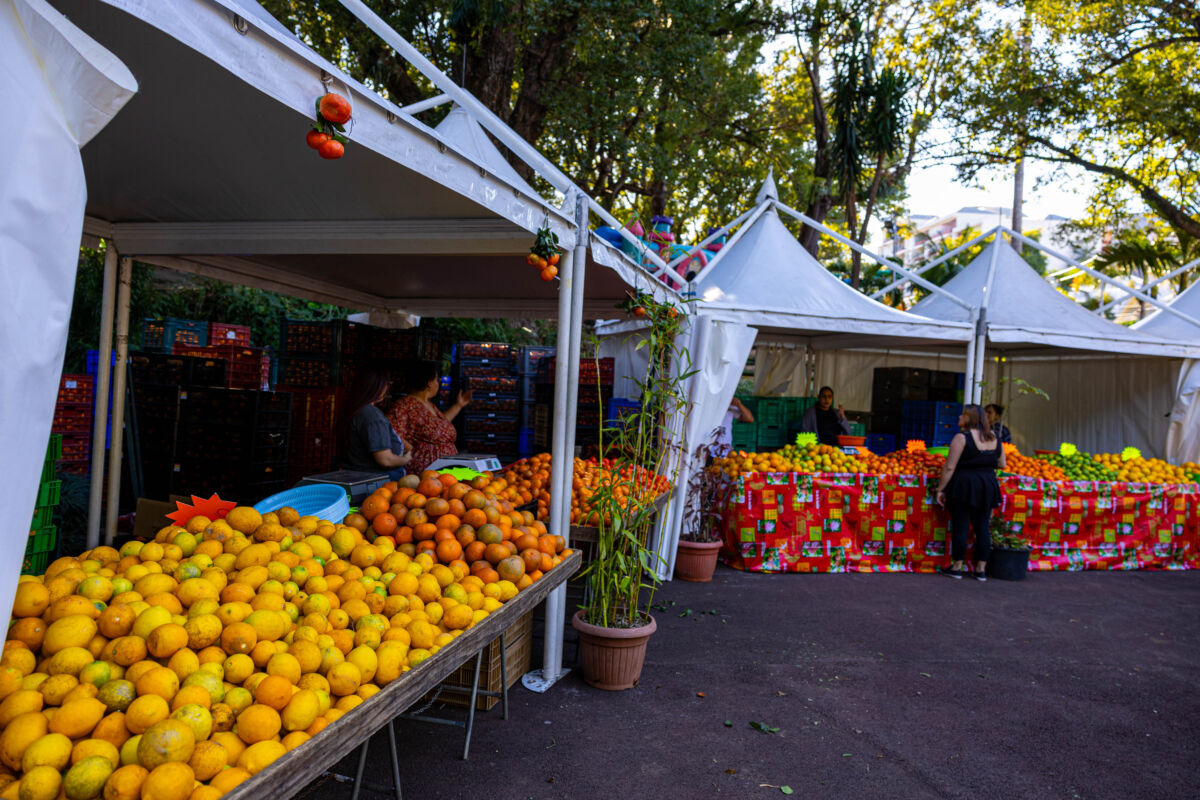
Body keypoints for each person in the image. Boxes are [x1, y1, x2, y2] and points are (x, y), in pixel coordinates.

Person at [935, 403, 1007, 581]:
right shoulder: (994, 438)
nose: (959, 417)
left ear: (970, 418)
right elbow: (1002, 464)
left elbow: (949, 467)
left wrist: (940, 489)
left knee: (961, 525)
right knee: (982, 527)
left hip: (964, 485)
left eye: (963, 415)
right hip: (987, 485)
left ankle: (957, 567)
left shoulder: (962, 438)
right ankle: (980, 569)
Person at [388, 360, 471, 475]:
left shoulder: (429, 405)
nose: (438, 383)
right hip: (424, 475)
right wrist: (412, 450)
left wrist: (459, 405)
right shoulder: (405, 405)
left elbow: (438, 427)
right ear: (429, 383)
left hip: (444, 473)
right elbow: (392, 433)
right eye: (437, 379)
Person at [341, 369, 412, 480]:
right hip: (376, 481)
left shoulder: (358, 409)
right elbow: (385, 460)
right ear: (376, 386)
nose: (387, 388)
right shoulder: (372, 415)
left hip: (361, 476)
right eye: (387, 384)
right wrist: (406, 459)